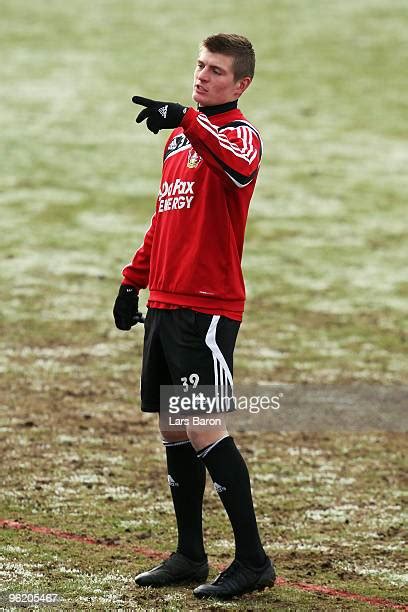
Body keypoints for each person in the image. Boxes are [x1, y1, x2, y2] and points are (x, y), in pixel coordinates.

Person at [113, 33, 275, 600]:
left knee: (206, 428)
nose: (203, 76)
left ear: (241, 83)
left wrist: (184, 117)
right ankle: (189, 554)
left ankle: (253, 561)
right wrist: (133, 280)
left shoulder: (239, 136)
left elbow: (234, 167)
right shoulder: (179, 145)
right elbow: (165, 218)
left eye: (216, 71)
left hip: (206, 310)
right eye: (200, 66)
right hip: (166, 302)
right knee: (173, 429)